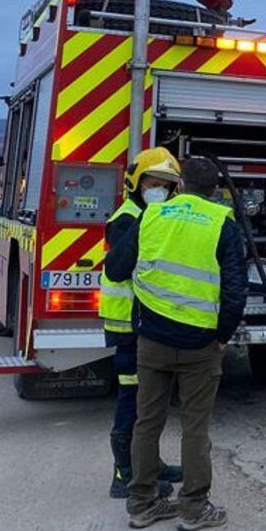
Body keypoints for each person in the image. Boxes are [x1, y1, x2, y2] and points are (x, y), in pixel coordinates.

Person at [104, 158, 248, 531]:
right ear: (216, 190)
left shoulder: (152, 215)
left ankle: (141, 503)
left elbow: (115, 269)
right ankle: (193, 509)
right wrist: (222, 335)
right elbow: (235, 291)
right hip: (200, 343)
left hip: (151, 340)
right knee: (195, 428)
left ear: (180, 184)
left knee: (147, 422)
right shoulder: (223, 224)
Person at [99, 147, 183, 499]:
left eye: (166, 184)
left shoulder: (152, 215)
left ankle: (150, 463)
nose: (159, 189)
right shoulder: (128, 218)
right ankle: (125, 476)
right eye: (153, 182)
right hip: (128, 327)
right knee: (132, 401)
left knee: (152, 400)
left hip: (147, 326)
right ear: (137, 183)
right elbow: (117, 268)